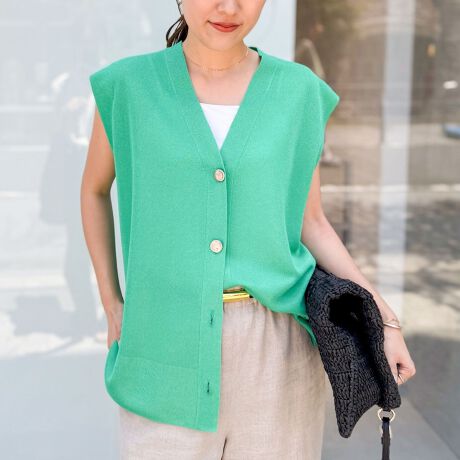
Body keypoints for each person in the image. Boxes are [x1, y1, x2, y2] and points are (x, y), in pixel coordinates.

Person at [81, 0, 416, 458]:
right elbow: (94, 190)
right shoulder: (127, 87)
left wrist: (383, 319)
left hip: (276, 348)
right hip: (163, 342)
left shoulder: (298, 92)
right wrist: (111, 302)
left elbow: (311, 221)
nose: (229, 7)